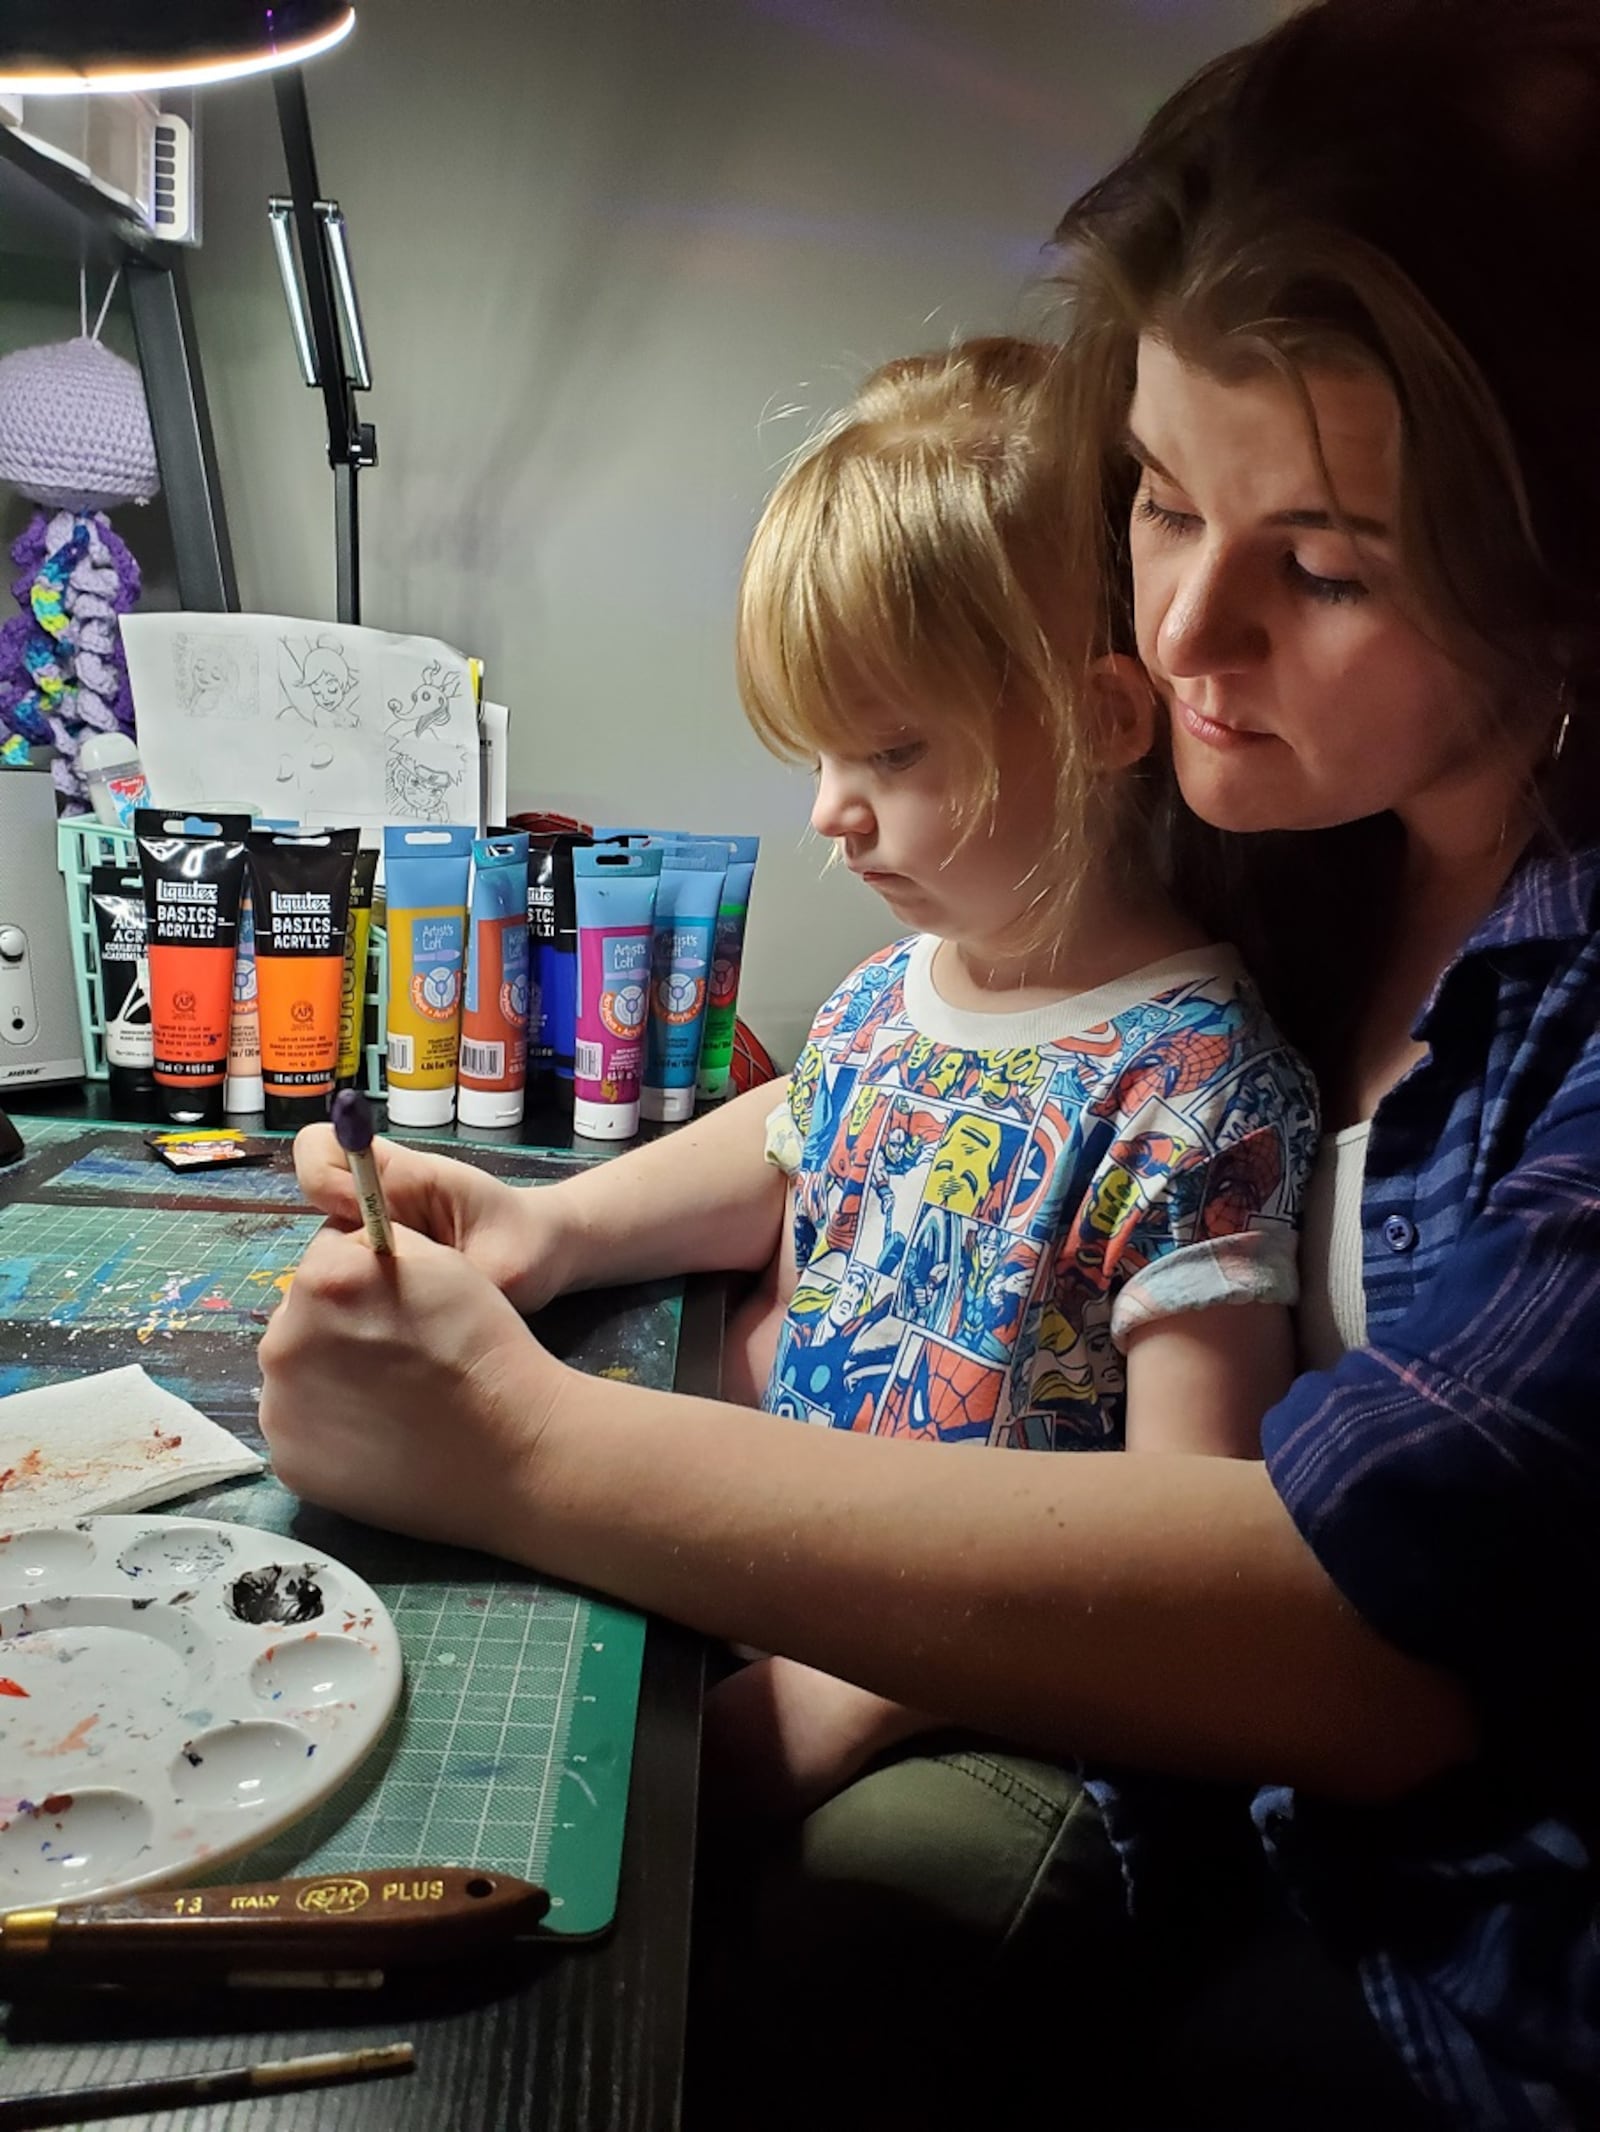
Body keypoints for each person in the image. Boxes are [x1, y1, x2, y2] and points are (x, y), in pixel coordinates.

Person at [258, 2, 1600, 2124]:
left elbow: (1360, 1644)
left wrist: (519, 1449)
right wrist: (550, 1227)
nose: (1176, 647)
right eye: (1157, 501)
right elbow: (907, 1078)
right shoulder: (1288, 834)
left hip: (1449, 1975)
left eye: (1322, 567)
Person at [708, 334, 1315, 1818]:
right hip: (802, 1598)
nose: (830, 815)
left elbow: (1179, 1568)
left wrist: (838, 1699)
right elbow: (779, 1143)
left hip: (1000, 1714)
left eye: (894, 751)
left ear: (1106, 722)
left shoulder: (1192, 1088)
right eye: (821, 753)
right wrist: (536, 1231)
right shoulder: (889, 998)